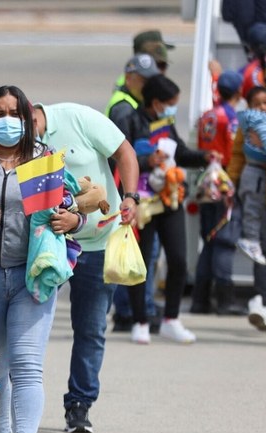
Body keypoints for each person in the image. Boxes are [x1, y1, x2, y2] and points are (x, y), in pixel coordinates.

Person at [0, 86, 81, 433]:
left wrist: (74, 221)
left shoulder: (44, 160)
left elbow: (70, 209)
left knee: (28, 365)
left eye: (15, 112)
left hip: (33, 276)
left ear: (27, 117)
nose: (7, 120)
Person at [31, 102, 139, 433]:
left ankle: (79, 404)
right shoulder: (19, 146)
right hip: (47, 247)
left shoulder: (77, 117)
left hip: (96, 243)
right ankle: (14, 401)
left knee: (90, 328)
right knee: (28, 329)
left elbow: (125, 152)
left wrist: (131, 196)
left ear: (33, 115)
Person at [126, 75, 218, 345]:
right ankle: (139, 320)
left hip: (169, 198)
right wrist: (146, 160)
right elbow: (120, 158)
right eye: (170, 104)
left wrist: (204, 156)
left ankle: (171, 319)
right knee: (141, 264)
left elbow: (181, 153)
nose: (172, 109)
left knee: (178, 259)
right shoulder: (131, 120)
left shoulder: (166, 123)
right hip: (143, 202)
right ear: (155, 102)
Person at [106, 53, 163, 334]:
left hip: (127, 189)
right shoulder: (124, 110)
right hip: (123, 189)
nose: (147, 85)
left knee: (133, 250)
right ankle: (129, 312)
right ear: (130, 79)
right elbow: (120, 157)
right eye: (143, 80)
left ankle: (131, 310)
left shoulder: (131, 103)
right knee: (130, 251)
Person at [192, 71, 248, 315]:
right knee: (225, 241)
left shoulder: (207, 115)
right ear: (238, 92)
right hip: (225, 183)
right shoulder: (232, 119)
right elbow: (236, 150)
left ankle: (200, 299)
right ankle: (225, 300)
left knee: (209, 240)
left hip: (206, 183)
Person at [234, 86, 266, 266]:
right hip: (255, 174)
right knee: (253, 210)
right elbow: (237, 155)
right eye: (258, 104)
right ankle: (251, 241)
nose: (263, 107)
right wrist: (231, 181)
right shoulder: (258, 123)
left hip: (257, 175)